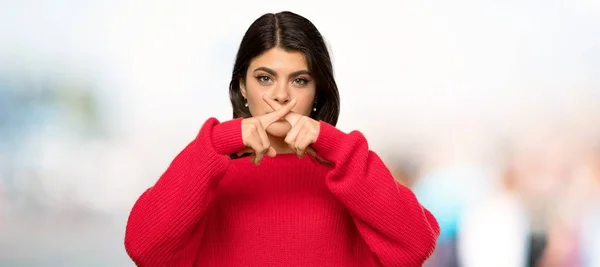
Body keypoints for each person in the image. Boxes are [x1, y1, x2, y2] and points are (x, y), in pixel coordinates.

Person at [124, 11, 439, 267]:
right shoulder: (206, 177)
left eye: (299, 81)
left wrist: (338, 146)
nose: (281, 96)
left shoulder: (351, 176)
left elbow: (417, 245)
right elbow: (143, 249)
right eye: (265, 78)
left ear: (317, 92)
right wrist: (220, 139)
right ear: (243, 88)